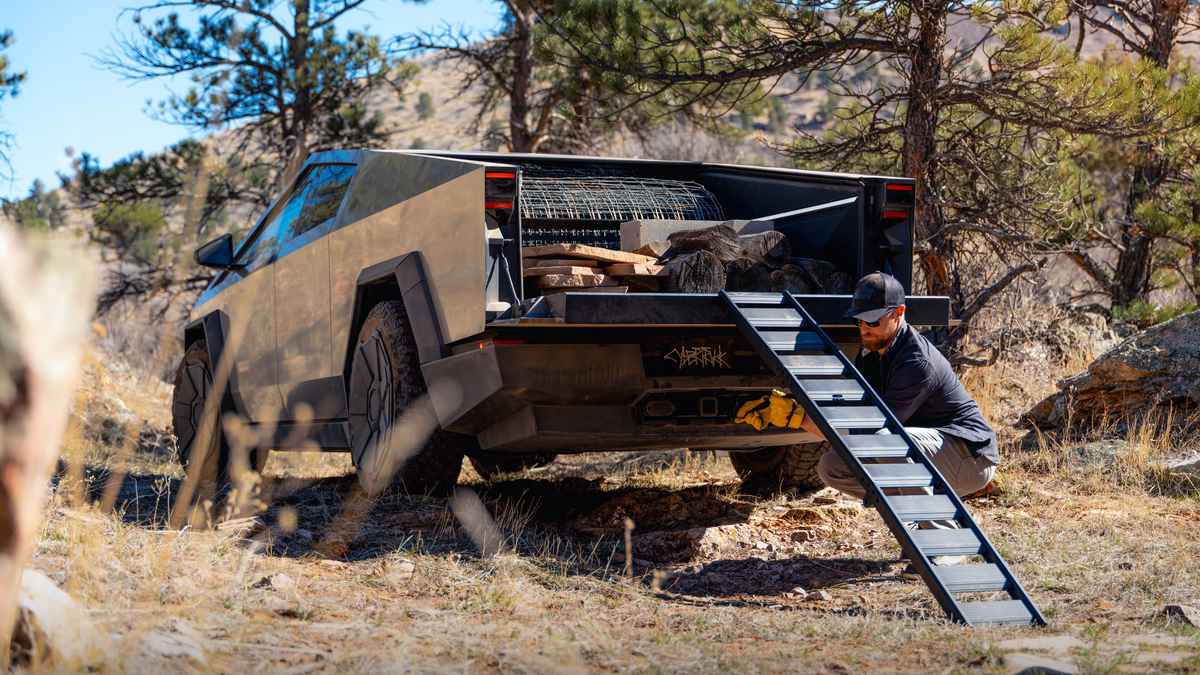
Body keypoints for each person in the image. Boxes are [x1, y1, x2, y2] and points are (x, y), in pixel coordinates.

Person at [807, 272, 998, 514]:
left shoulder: (917, 361)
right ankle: (919, 517)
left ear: (899, 313)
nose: (864, 329)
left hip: (969, 457)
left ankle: (937, 531)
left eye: (873, 321)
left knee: (884, 441)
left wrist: (803, 420)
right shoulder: (872, 352)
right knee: (833, 466)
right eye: (860, 321)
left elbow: (874, 427)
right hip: (930, 448)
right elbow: (852, 410)